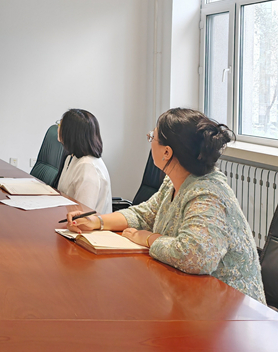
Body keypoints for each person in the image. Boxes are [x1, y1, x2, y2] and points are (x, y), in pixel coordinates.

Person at [65, 108, 266, 304]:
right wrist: (96, 221)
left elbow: (194, 256)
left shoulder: (208, 194)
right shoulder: (173, 182)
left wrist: (148, 238)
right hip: (192, 296)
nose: (150, 140)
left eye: (152, 137)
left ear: (167, 152)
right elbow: (144, 214)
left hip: (232, 309)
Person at [56, 109, 112, 214]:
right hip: (67, 216)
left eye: (60, 125)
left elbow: (83, 214)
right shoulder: (72, 158)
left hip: (85, 223)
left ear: (70, 133)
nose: (58, 129)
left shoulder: (88, 167)